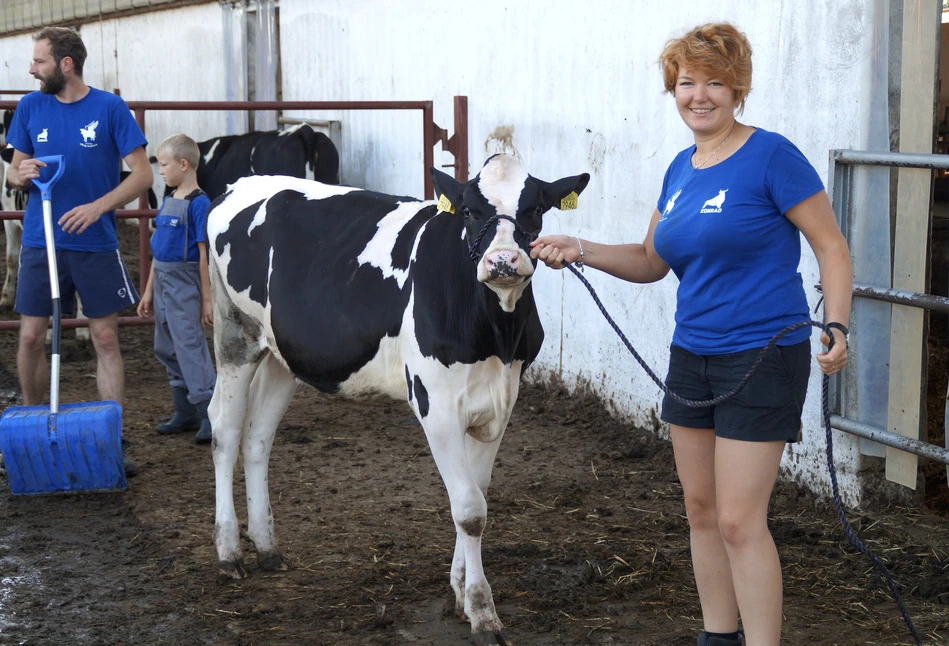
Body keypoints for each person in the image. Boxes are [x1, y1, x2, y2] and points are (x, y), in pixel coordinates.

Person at [530, 23, 852, 646]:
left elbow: (831, 247)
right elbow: (652, 260)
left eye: (714, 83)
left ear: (737, 90)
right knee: (702, 512)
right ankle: (717, 637)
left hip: (763, 356)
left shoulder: (772, 156)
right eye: (685, 83)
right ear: (672, 90)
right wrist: (582, 247)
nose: (698, 95)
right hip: (692, 356)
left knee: (738, 521)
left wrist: (836, 321)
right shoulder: (681, 168)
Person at [6, 27, 153, 477]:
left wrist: (98, 207)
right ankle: (31, 430)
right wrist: (21, 174)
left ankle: (110, 435)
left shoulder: (109, 108)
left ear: (65, 64)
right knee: (30, 336)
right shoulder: (30, 107)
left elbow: (143, 176)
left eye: (39, 61)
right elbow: (13, 175)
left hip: (93, 242)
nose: (31, 69)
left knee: (105, 338)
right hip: (40, 241)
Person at [137, 134, 214, 444]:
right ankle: (185, 411)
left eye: (164, 164)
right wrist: (148, 290)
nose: (161, 170)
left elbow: (204, 254)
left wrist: (207, 299)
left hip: (185, 282)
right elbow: (159, 250)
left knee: (189, 344)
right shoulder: (169, 199)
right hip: (163, 280)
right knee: (165, 345)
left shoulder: (200, 203)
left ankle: (210, 412)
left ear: (184, 164)